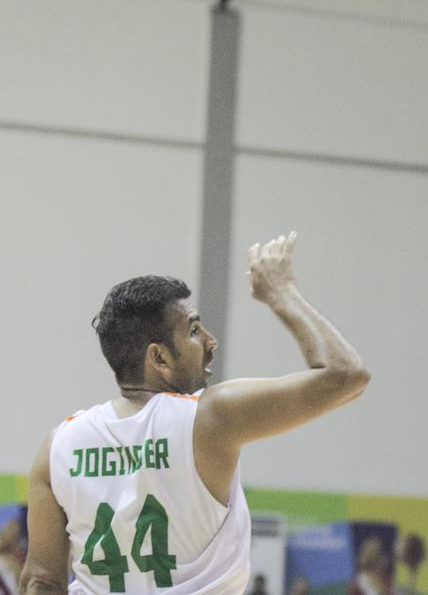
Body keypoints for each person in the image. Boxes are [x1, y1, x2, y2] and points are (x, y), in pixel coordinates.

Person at [20, 232, 371, 593]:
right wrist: (282, 294)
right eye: (193, 330)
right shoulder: (209, 418)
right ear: (159, 358)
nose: (210, 340)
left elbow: (41, 580)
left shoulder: (58, 446)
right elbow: (346, 375)